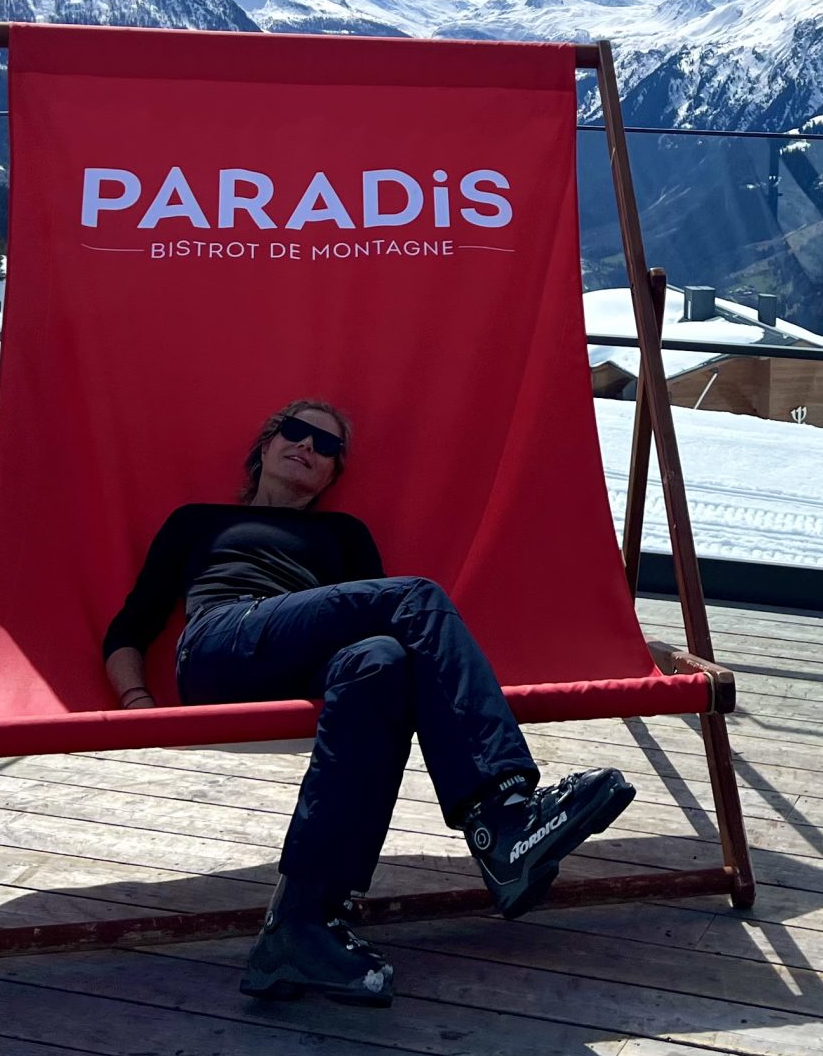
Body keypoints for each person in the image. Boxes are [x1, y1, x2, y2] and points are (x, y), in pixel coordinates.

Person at [101, 397, 636, 1005]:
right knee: (414, 597)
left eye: (325, 446)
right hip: (222, 644)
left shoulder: (344, 534)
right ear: (266, 445)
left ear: (333, 473)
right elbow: (129, 629)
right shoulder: (198, 520)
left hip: (304, 664)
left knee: (383, 663)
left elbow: (381, 628)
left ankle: (300, 927)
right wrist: (137, 700)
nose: (307, 447)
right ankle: (502, 818)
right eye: (296, 433)